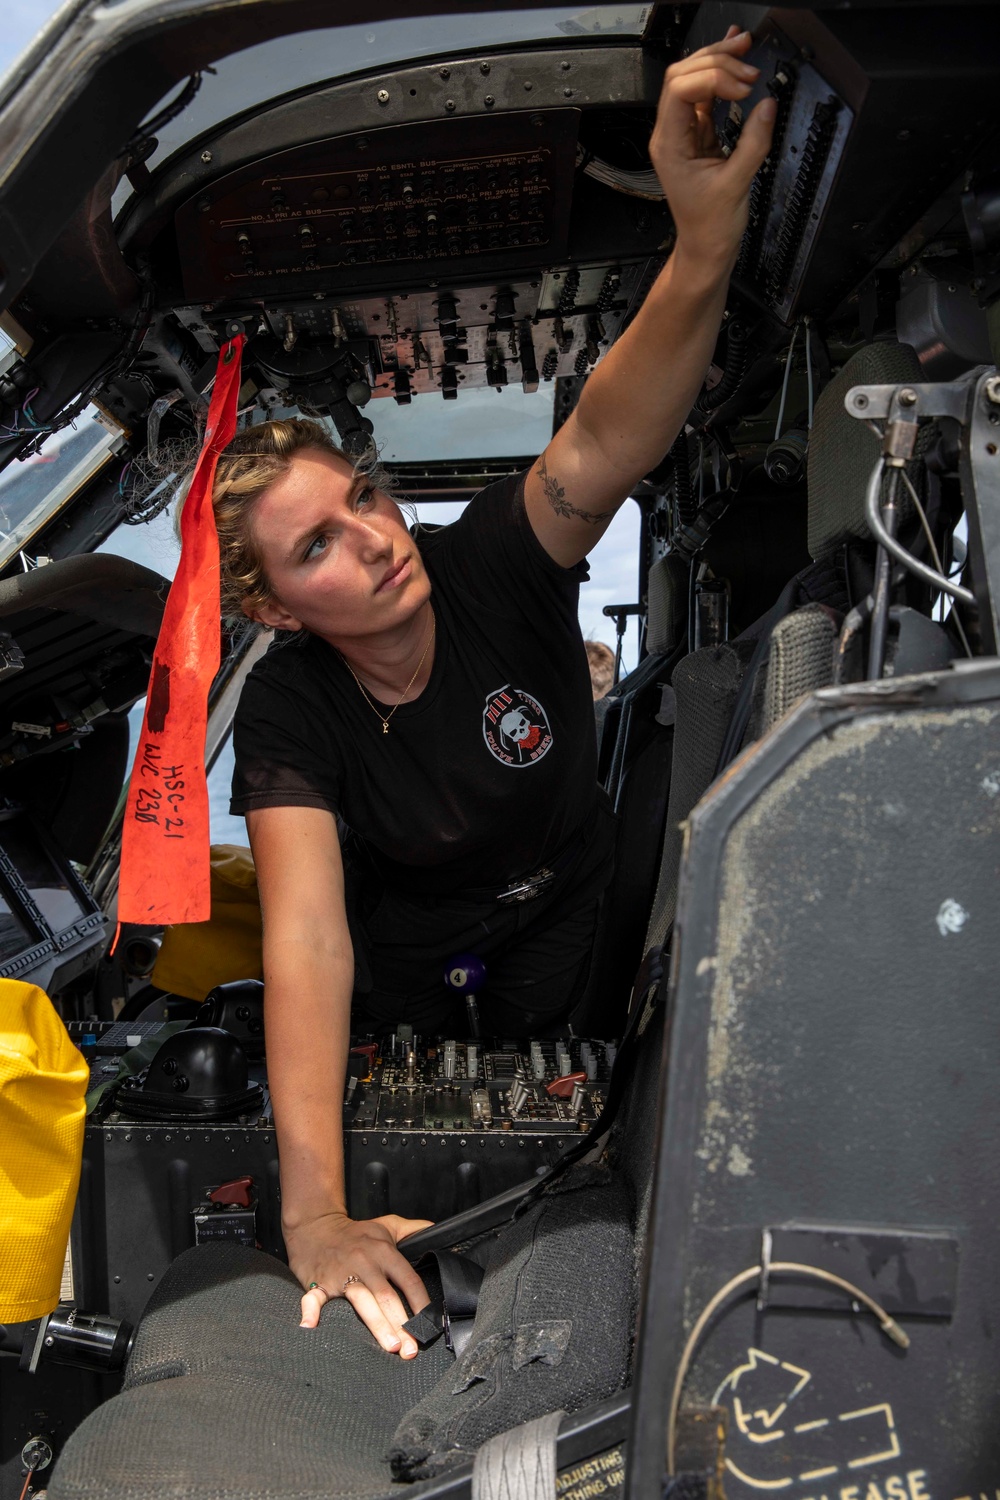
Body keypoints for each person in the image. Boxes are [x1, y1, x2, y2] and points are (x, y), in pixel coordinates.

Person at [213, 29, 774, 1360]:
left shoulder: (488, 570)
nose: (373, 538)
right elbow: (302, 939)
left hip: (564, 941)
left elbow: (599, 439)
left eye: (363, 497)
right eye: (318, 549)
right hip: (413, 978)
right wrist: (316, 1218)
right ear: (277, 609)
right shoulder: (295, 707)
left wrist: (701, 247)